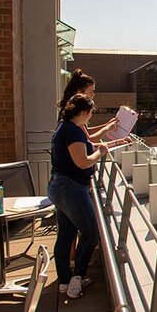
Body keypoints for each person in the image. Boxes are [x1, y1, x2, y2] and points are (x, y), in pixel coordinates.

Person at [48, 94, 127, 298]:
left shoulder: (64, 127)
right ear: (83, 112)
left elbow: (90, 148)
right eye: (91, 112)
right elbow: (83, 162)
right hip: (71, 188)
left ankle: (64, 281)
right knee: (91, 232)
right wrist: (101, 153)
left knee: (66, 234)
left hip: (59, 187)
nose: (90, 117)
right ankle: (77, 278)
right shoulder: (72, 131)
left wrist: (114, 143)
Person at [58, 69, 117, 142]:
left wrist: (107, 125)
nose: (93, 95)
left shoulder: (72, 110)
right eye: (90, 92)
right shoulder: (74, 113)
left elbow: (86, 132)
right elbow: (89, 139)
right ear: (79, 92)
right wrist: (106, 128)